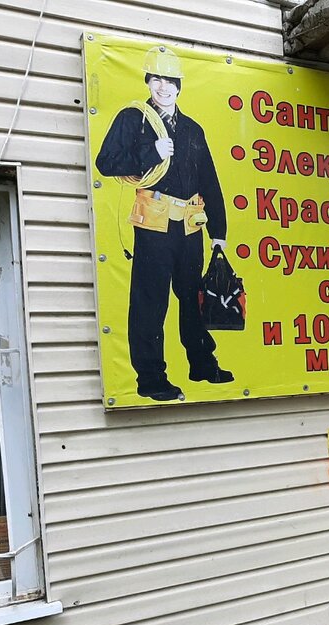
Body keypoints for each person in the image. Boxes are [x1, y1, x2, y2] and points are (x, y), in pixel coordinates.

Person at [95, 45, 233, 401]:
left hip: (190, 227)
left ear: (179, 85)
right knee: (150, 302)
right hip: (153, 224)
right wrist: (151, 152)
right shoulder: (133, 119)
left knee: (193, 298)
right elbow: (106, 162)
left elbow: (209, 180)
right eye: (157, 79)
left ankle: (202, 363)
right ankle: (151, 378)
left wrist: (218, 233)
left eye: (170, 80)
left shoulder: (192, 129)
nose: (163, 87)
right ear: (148, 81)